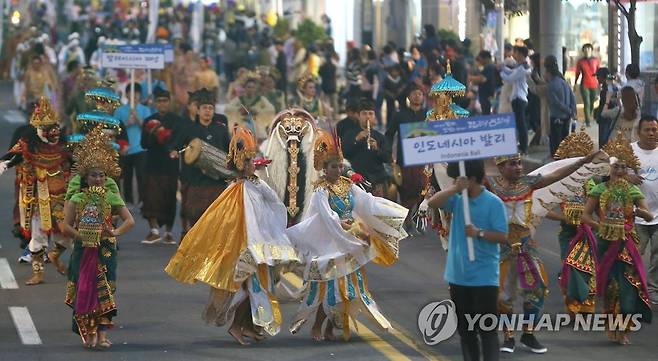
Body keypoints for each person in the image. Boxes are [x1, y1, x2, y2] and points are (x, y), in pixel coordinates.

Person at [165, 127, 300, 345]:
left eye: (252, 160)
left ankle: (248, 326)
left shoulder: (254, 184)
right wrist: (253, 247)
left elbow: (273, 205)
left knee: (263, 288)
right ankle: (237, 326)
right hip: (246, 250)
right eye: (247, 162)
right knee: (251, 291)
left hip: (259, 247)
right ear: (238, 164)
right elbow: (244, 224)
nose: (251, 165)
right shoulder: (237, 192)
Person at [287, 128, 408, 341]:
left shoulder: (348, 186)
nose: (338, 169)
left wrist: (390, 216)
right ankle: (317, 325)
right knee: (330, 291)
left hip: (348, 240)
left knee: (349, 291)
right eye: (334, 167)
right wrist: (345, 230)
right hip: (331, 246)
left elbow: (367, 203)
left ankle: (331, 328)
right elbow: (328, 219)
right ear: (324, 169)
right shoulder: (320, 192)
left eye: (340, 166)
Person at [487, 149, 603, 354]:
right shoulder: (491, 186)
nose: (518, 167)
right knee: (503, 295)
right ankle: (508, 336)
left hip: (525, 245)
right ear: (501, 167)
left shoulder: (529, 183)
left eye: (519, 163)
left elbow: (557, 175)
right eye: (512, 164)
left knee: (537, 289)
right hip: (501, 246)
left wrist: (581, 162)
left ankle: (529, 334)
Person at [427, 160, 508, 361]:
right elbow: (432, 203)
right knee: (466, 331)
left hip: (484, 277)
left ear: (471, 179)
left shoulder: (493, 202)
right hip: (458, 275)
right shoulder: (457, 199)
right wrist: (455, 188)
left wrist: (478, 233)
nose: (455, 182)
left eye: (458, 178)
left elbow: (502, 236)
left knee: (486, 329)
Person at [63, 127, 134, 349]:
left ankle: (102, 334)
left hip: (105, 249)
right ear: (85, 177)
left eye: (102, 175)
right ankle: (89, 333)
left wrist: (114, 233)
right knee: (85, 289)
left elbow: (129, 221)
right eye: (94, 175)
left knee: (106, 290)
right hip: (83, 250)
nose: (98, 179)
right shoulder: (76, 197)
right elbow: (65, 225)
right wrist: (81, 236)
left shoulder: (112, 196)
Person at [582, 132, 654, 345]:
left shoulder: (632, 189)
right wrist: (602, 225)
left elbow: (648, 214)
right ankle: (613, 327)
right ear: (609, 168)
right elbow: (586, 216)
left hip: (627, 243)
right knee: (612, 287)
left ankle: (625, 329)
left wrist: (636, 211)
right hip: (606, 243)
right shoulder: (600, 188)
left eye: (624, 167)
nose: (621, 171)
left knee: (629, 286)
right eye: (617, 167)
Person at [0, 98, 72, 283]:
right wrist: (3, 166)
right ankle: (38, 272)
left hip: (60, 195)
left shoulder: (63, 144)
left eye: (54, 128)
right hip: (36, 195)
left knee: (64, 234)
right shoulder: (27, 142)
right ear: (38, 128)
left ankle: (55, 254)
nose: (53, 133)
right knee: (38, 234)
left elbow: (76, 164)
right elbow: (10, 158)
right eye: (47, 129)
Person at [169, 88, 231, 232]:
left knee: (217, 217)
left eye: (210, 108)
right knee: (195, 215)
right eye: (204, 108)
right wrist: (173, 151)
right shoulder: (189, 129)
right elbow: (175, 145)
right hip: (195, 180)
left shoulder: (220, 130)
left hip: (217, 181)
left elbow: (229, 151)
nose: (207, 111)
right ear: (198, 111)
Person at [257, 109, 317, 225]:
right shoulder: (268, 150)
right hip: (278, 206)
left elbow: (330, 164)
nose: (293, 130)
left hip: (305, 203)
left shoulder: (314, 149)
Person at [140, 87, 180, 245]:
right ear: (155, 103)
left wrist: (166, 137)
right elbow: (143, 144)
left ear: (169, 103)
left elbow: (180, 142)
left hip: (170, 166)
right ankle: (154, 231)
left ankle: (169, 233)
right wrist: (154, 133)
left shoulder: (177, 121)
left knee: (169, 199)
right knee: (150, 198)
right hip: (152, 165)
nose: (162, 104)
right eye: (159, 101)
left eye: (165, 101)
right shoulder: (149, 121)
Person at [629, 116, 658, 304]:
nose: (651, 133)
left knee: (657, 256)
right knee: (633, 255)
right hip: (635, 215)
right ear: (639, 132)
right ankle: (632, 289)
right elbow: (610, 175)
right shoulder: (629, 151)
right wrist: (627, 177)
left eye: (654, 130)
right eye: (647, 130)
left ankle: (653, 289)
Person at [385, 85, 427, 209]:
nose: (417, 96)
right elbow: (389, 134)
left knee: (423, 191)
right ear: (408, 97)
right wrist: (389, 154)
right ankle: (406, 220)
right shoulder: (399, 115)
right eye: (414, 93)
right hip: (404, 160)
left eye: (420, 94)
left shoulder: (428, 115)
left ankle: (419, 219)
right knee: (405, 191)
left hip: (423, 160)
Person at [342, 99, 391, 197]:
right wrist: (356, 140)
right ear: (358, 116)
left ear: (374, 117)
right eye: (364, 114)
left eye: (370, 114)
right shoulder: (349, 134)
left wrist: (377, 149)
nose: (367, 116)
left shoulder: (380, 137)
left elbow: (387, 158)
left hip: (378, 181)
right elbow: (344, 154)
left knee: (379, 211)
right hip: (358, 180)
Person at [113, 83, 152, 206]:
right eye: (131, 93)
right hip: (125, 149)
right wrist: (127, 123)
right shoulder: (119, 111)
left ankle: (142, 200)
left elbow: (149, 128)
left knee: (142, 176)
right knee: (127, 177)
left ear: (140, 95)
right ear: (127, 94)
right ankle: (129, 200)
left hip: (141, 148)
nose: (134, 96)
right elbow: (114, 129)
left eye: (136, 93)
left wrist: (138, 118)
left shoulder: (145, 110)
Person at [499, 46, 531, 154]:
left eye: (516, 53)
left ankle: (523, 147)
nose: (514, 55)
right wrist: (503, 68)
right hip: (518, 98)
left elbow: (510, 78)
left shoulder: (523, 68)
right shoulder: (521, 67)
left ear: (521, 54)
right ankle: (521, 146)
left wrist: (501, 72)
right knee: (519, 124)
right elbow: (511, 72)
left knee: (521, 124)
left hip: (519, 98)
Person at [225, 73, 275, 140]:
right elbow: (227, 108)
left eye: (253, 87)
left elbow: (271, 109)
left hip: (256, 125)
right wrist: (239, 109)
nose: (251, 89)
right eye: (248, 87)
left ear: (255, 88)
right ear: (245, 88)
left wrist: (257, 110)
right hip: (242, 123)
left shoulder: (260, 99)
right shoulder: (239, 99)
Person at [545, 60, 576, 158]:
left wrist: (568, 110)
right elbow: (572, 97)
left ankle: (557, 160)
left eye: (545, 73)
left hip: (556, 116)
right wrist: (572, 111)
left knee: (555, 141)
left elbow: (556, 103)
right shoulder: (564, 83)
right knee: (565, 138)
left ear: (549, 73)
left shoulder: (551, 85)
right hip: (566, 117)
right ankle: (565, 157)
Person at [574, 44, 600, 127]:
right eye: (585, 49)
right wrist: (575, 83)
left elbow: (599, 72)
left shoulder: (595, 60)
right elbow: (577, 73)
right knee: (587, 102)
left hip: (594, 84)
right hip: (584, 84)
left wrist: (600, 82)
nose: (587, 50)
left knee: (592, 102)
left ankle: (588, 116)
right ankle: (588, 121)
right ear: (583, 51)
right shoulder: (580, 61)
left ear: (591, 50)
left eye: (589, 48)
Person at [469, 50, 497, 115]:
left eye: (480, 59)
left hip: (487, 95)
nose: (480, 61)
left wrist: (470, 77)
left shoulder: (489, 67)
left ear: (486, 58)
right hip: (485, 95)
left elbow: (482, 79)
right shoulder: (488, 67)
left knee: (486, 114)